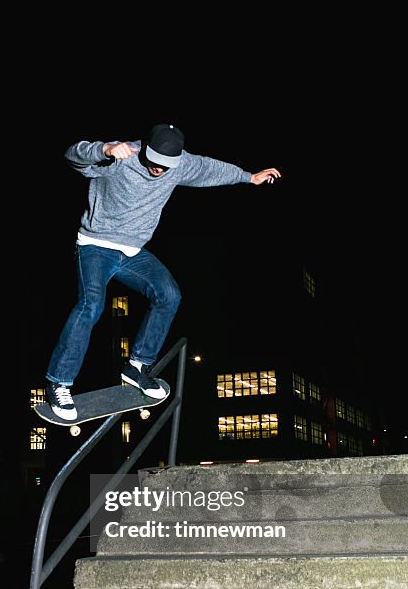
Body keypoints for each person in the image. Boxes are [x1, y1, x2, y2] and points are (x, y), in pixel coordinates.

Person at [45, 123, 282, 420]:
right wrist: (103, 149)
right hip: (96, 245)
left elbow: (210, 169)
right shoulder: (122, 156)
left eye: (166, 167)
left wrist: (250, 177)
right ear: (146, 150)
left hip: (133, 251)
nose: (159, 170)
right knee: (91, 305)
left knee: (169, 295)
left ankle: (138, 365)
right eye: (154, 163)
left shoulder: (180, 165)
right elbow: (73, 155)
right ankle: (60, 383)